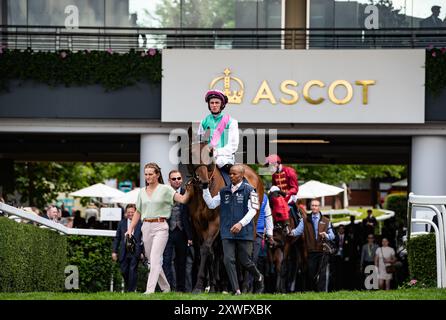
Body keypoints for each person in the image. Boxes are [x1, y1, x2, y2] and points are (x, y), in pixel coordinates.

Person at [126, 163, 190, 294]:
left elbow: (183, 200)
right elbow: (138, 211)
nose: (148, 177)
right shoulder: (142, 192)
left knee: (155, 259)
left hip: (161, 227)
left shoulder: (166, 189)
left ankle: (149, 291)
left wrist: (191, 188)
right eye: (146, 174)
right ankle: (166, 288)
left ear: (157, 175)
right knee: (153, 261)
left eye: (150, 174)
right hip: (146, 227)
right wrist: (130, 229)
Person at [202, 164, 264, 295]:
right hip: (227, 231)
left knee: (245, 260)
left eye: (234, 174)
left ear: (241, 176)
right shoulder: (224, 191)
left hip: (244, 232)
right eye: (230, 173)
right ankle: (237, 290)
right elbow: (211, 204)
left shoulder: (250, 190)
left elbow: (253, 210)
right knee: (228, 260)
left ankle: (259, 276)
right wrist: (205, 189)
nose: (231, 176)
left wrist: (241, 224)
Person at [288, 198, 335, 292]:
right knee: (311, 273)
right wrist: (289, 232)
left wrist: (326, 235)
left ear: (319, 207)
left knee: (322, 274)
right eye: (312, 205)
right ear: (310, 207)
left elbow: (332, 235)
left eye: (316, 205)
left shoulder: (326, 220)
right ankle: (313, 291)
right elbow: (297, 231)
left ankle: (322, 293)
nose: (314, 207)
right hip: (311, 251)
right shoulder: (305, 220)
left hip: (323, 251)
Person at [198, 90, 239, 186]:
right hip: (207, 159)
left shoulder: (231, 121)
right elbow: (200, 141)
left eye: (217, 103)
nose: (214, 105)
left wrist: (216, 152)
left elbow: (233, 146)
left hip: (225, 159)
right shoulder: (203, 122)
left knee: (236, 179)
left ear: (222, 105)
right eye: (212, 103)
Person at [162, 170, 193, 292]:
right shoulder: (164, 193)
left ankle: (181, 289)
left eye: (179, 178)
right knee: (166, 261)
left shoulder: (188, 193)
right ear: (169, 181)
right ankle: (167, 288)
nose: (176, 181)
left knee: (182, 262)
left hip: (182, 232)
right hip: (166, 231)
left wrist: (190, 236)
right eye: (173, 179)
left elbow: (191, 216)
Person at [112, 204, 143, 292]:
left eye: (132, 212)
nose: (130, 214)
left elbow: (143, 239)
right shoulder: (122, 223)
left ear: (136, 212)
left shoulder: (140, 223)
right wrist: (114, 251)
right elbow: (117, 238)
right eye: (128, 212)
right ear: (126, 213)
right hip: (123, 250)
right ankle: (129, 287)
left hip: (135, 250)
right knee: (124, 271)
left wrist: (142, 252)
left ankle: (131, 291)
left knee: (132, 270)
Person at [264, 154, 299, 222]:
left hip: (290, 195)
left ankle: (298, 221)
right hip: (279, 196)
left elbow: (295, 189)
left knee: (289, 207)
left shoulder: (289, 171)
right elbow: (274, 186)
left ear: (277, 164)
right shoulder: (274, 174)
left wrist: (286, 193)